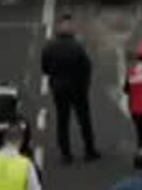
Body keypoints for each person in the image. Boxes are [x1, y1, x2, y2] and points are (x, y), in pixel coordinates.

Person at [40, 12, 100, 163]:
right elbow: (86, 67)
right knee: (84, 119)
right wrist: (84, 84)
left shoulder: (49, 48)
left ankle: (65, 154)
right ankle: (89, 149)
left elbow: (45, 68)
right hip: (77, 87)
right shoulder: (77, 47)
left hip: (59, 88)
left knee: (62, 120)